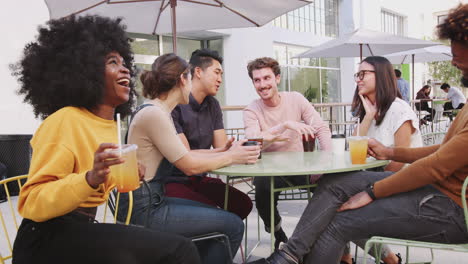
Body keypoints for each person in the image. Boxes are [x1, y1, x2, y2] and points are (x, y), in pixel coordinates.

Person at [248, 4, 468, 264]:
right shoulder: (375, 109)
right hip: (430, 189)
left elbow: (434, 166)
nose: (453, 61)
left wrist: (373, 191)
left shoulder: (399, 110)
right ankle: (290, 255)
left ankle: (294, 256)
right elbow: (442, 152)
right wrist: (387, 150)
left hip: (451, 207)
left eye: (362, 73)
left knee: (340, 218)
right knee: (332, 184)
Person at [11, 15, 201, 264]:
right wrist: (90, 178)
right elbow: (32, 202)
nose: (125, 69)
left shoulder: (108, 124)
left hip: (81, 230)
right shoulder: (64, 121)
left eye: (124, 63)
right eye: (112, 62)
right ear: (84, 71)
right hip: (45, 240)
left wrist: (120, 174)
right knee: (179, 251)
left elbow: (97, 183)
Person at [127, 53, 261, 264]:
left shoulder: (159, 111)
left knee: (223, 221)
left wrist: (225, 152)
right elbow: (189, 166)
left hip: (154, 199)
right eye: (189, 78)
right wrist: (232, 156)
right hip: (147, 209)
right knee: (233, 225)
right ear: (183, 79)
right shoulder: (155, 114)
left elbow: (185, 155)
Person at [243, 57, 332, 250]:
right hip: (271, 172)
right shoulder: (252, 109)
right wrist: (284, 126)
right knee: (262, 187)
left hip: (301, 167)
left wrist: (326, 164)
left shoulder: (296, 99)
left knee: (332, 188)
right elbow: (254, 141)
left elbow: (321, 129)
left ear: (277, 78)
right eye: (257, 80)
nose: (262, 84)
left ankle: (334, 246)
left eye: (266, 78)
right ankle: (277, 232)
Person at [171, 48, 252, 220]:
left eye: (221, 74)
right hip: (173, 180)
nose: (220, 79)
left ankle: (216, 242)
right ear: (198, 72)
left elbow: (221, 147)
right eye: (216, 73)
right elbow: (186, 156)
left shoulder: (213, 105)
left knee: (243, 204)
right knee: (215, 214)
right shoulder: (174, 104)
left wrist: (234, 148)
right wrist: (230, 154)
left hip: (200, 178)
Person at [353, 56, 423, 172]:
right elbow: (354, 149)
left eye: (363, 73)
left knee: (334, 184)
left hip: (403, 179)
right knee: (332, 180)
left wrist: (374, 186)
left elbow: (401, 160)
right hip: (375, 174)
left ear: (381, 76)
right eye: (357, 74)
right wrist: (368, 117)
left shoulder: (399, 109)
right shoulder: (370, 111)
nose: (358, 80)